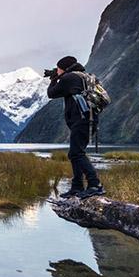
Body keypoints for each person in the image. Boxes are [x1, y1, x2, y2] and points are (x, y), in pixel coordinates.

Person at [47, 56, 105, 199]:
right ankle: (77, 186)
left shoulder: (69, 78)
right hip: (90, 119)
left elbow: (51, 93)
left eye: (58, 68)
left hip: (81, 121)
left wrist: (54, 79)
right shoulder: (86, 77)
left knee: (76, 153)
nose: (57, 70)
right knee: (76, 153)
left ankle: (95, 185)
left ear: (65, 68)